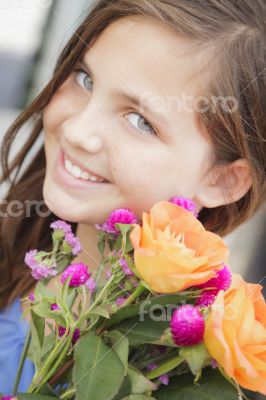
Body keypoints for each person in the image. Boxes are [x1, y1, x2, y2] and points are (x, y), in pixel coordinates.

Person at [0, 0, 265, 396]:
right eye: (85, 79)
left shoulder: (174, 376)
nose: (78, 130)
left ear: (222, 180)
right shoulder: (13, 253)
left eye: (140, 121)